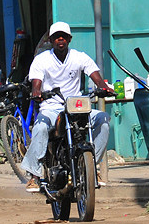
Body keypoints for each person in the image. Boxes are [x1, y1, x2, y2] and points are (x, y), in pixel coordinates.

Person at [20, 22, 112, 192]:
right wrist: (37, 92)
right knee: (40, 127)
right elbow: (36, 82)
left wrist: (103, 87)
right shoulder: (42, 59)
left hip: (77, 106)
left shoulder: (79, 57)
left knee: (103, 120)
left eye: (63, 36)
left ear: (69, 39)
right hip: (51, 108)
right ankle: (34, 175)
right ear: (51, 40)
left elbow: (95, 75)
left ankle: (92, 167)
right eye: (56, 37)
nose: (60, 40)